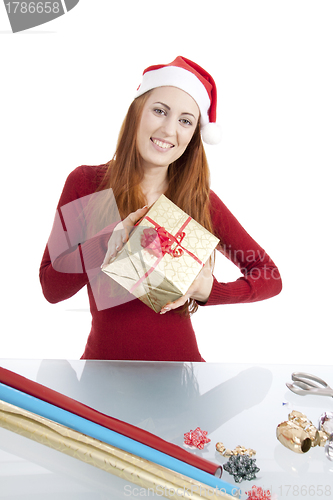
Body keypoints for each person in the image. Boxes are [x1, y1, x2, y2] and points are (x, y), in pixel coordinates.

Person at [39, 56, 282, 362]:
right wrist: (106, 242)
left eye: (185, 120)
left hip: (181, 376)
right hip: (103, 376)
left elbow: (269, 275)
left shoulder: (198, 200)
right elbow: (51, 287)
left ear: (194, 135)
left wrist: (208, 290)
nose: (169, 129)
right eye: (159, 111)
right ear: (137, 113)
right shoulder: (89, 184)